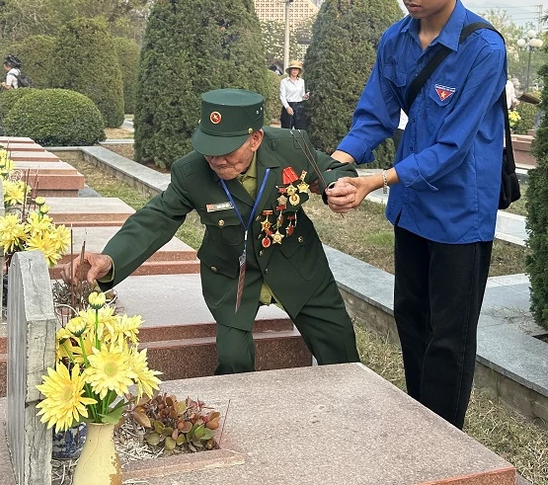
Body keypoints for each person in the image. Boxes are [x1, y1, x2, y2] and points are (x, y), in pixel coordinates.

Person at [325, 0, 507, 429]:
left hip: (459, 215)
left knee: (449, 338)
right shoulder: (396, 40)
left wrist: (376, 181)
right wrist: (334, 164)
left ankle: (447, 446)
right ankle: (416, 431)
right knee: (412, 321)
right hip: (413, 210)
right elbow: (374, 117)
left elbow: (452, 148)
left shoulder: (483, 49)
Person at [69, 88, 360, 373]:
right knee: (233, 359)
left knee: (340, 348)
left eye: (226, 151)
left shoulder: (292, 146)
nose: (216, 160)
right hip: (232, 275)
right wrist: (110, 259)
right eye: (208, 149)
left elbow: (333, 170)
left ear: (255, 139)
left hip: (297, 264)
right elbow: (155, 218)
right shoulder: (191, 172)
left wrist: (337, 187)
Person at [279, 61, 309, 129]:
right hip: (288, 106)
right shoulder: (284, 82)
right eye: (293, 69)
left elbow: (302, 95)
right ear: (290, 70)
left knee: (300, 130)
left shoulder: (302, 81)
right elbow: (282, 96)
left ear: (299, 71)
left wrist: (306, 97)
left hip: (299, 107)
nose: (295, 71)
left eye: (297, 69)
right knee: (286, 130)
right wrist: (287, 107)